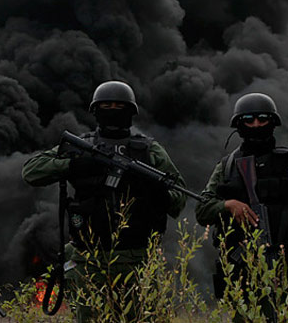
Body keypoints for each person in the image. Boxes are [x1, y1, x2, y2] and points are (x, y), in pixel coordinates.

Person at [22, 80, 187, 322]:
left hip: (136, 259)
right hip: (89, 259)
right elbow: (31, 171)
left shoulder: (149, 151)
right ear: (96, 111)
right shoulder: (83, 146)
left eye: (119, 107)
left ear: (130, 112)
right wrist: (75, 164)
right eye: (106, 106)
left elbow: (179, 198)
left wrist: (154, 190)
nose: (113, 111)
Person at [195, 92, 288, 322]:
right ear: (239, 125)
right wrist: (228, 205)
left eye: (262, 119)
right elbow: (202, 211)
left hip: (283, 266)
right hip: (242, 272)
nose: (256, 125)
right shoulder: (227, 167)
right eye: (249, 119)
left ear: (272, 123)